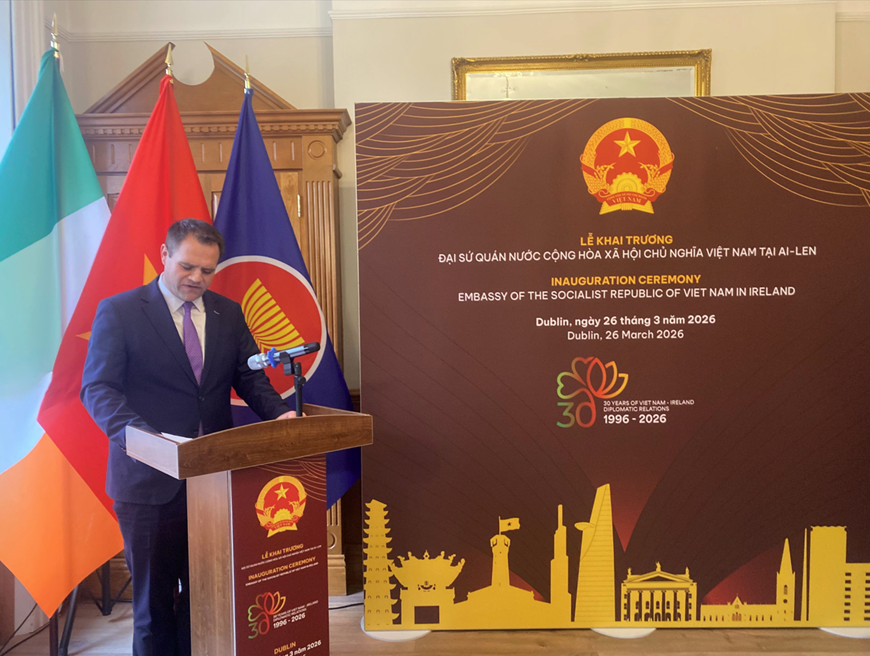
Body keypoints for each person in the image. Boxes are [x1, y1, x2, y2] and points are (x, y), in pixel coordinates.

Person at [81, 219, 297, 656]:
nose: (197, 278)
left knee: (206, 601)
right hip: (147, 483)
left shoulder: (227, 313)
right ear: (165, 254)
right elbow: (98, 388)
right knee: (153, 607)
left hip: (212, 481)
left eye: (207, 271)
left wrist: (281, 414)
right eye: (187, 266)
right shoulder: (120, 311)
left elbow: (248, 378)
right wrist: (143, 439)